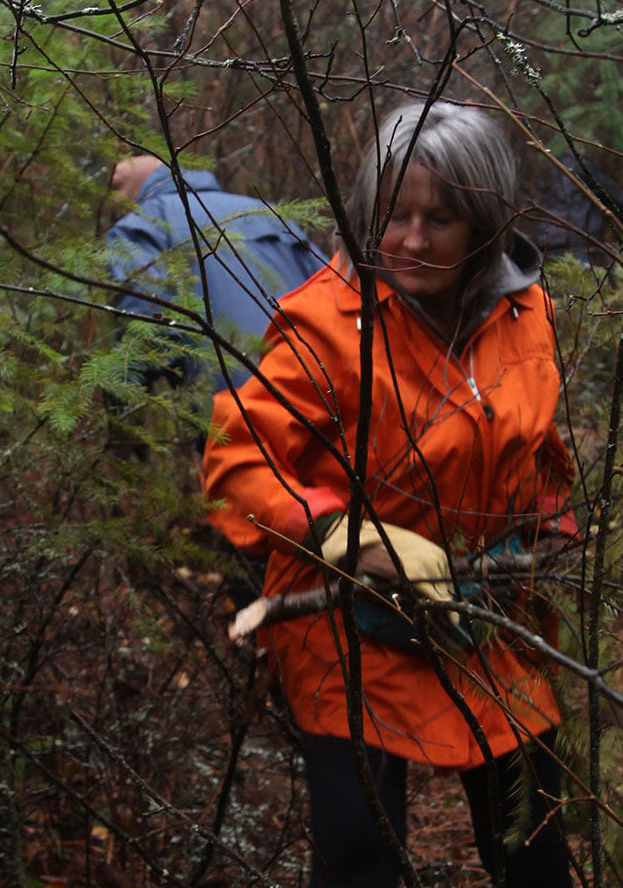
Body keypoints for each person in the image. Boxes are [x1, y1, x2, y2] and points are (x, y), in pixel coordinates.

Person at [202, 101, 579, 887]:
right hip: (346, 628)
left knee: (534, 846)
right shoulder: (326, 322)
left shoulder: (525, 310)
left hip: (483, 615)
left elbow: (538, 445)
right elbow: (238, 462)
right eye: (393, 214)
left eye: (438, 219)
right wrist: (349, 536)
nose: (409, 239)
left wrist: (547, 530)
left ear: (484, 223)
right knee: (360, 857)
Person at [105, 155, 326, 390]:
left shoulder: (141, 223)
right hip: (321, 387)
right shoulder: (264, 212)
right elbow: (335, 285)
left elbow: (149, 324)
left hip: (236, 404)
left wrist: (122, 393)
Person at [532, 150, 623, 265]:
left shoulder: (550, 167)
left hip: (547, 240)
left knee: (550, 279)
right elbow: (611, 194)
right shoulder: (583, 166)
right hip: (576, 240)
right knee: (581, 279)